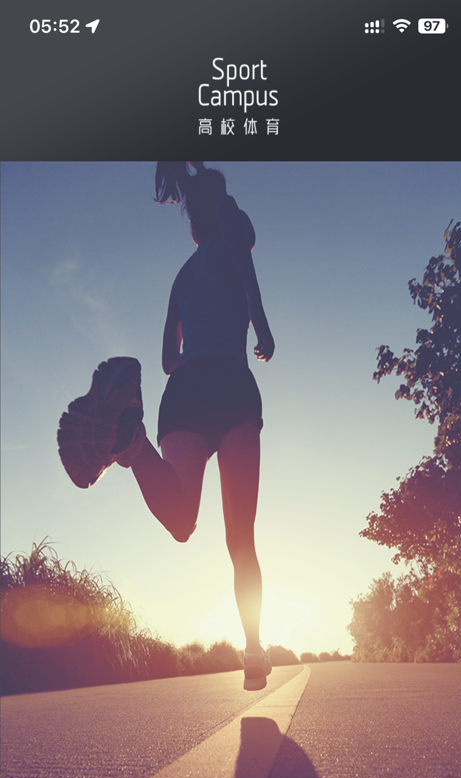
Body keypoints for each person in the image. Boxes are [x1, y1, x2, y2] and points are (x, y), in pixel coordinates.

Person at [57, 162, 275, 688]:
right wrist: (260, 326)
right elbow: (243, 242)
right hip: (232, 384)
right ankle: (252, 650)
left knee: (182, 522)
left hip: (185, 389)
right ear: (219, 213)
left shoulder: (182, 275)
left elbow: (164, 359)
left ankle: (131, 446)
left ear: (192, 224)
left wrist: (195, 355)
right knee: (240, 538)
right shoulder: (232, 243)